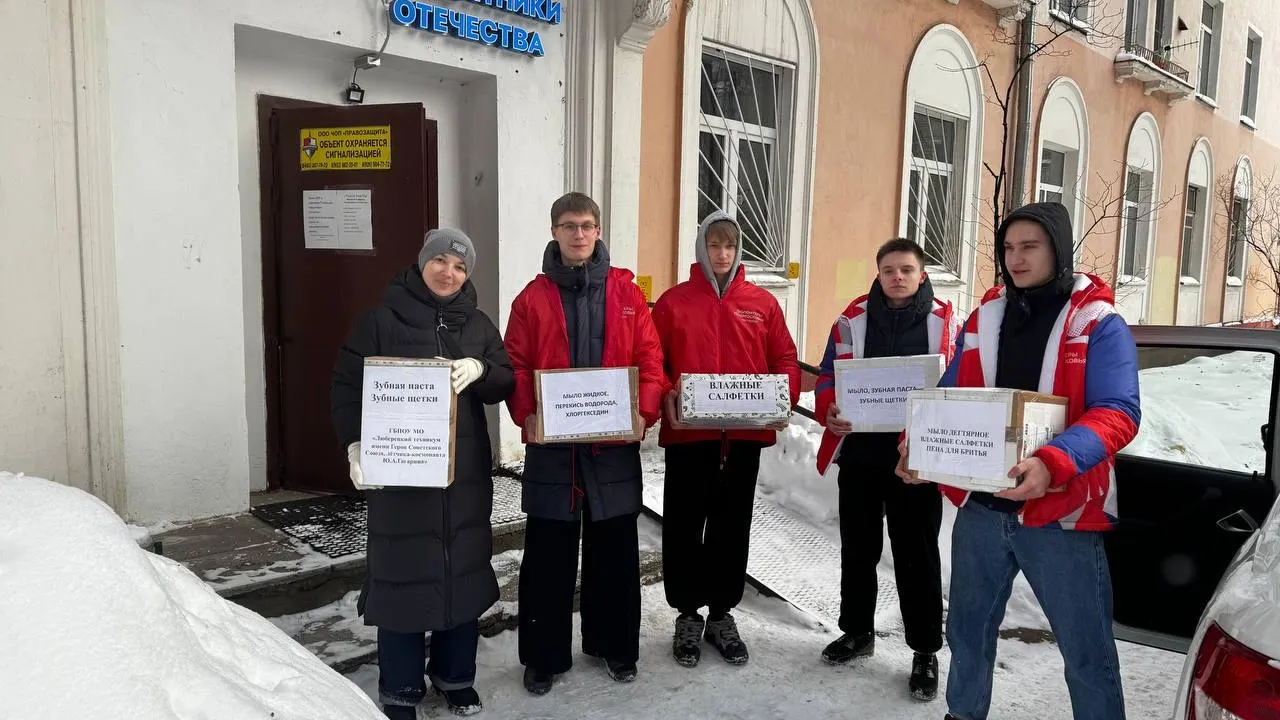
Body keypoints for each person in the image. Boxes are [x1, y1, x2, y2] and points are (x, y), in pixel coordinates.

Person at [895, 202, 1141, 720]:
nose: (1016, 258)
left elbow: (1118, 412)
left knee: (1086, 653)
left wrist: (1054, 462)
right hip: (983, 510)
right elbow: (952, 391)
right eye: (1009, 248)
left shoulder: (1098, 322)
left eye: (1030, 246)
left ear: (1059, 249)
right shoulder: (987, 316)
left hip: (1061, 514)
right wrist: (917, 441)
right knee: (967, 635)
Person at [331, 228, 515, 719]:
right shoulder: (381, 321)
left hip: (465, 479)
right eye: (440, 261)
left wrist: (480, 368)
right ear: (422, 263)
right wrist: (354, 444)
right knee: (403, 577)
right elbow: (348, 385)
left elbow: (505, 378)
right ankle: (401, 689)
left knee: (462, 571)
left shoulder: (477, 324)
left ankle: (456, 678)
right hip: (402, 478)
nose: (448, 272)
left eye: (459, 266)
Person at [503, 192, 666, 695]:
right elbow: (517, 366)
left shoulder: (627, 293)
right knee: (548, 557)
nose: (579, 234)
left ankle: (614, 646)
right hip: (554, 451)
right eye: (569, 225)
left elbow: (651, 360)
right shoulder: (532, 298)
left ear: (599, 231)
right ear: (554, 231)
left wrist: (644, 412)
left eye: (588, 225)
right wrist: (525, 414)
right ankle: (543, 656)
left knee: (615, 554)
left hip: (612, 449)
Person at [650, 211, 800, 668]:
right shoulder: (674, 303)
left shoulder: (762, 303)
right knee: (682, 524)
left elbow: (785, 358)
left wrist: (781, 398)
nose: (722, 254)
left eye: (730, 246)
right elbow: (654, 363)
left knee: (731, 526)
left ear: (738, 251)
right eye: (714, 245)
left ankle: (721, 613)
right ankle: (687, 614)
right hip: (689, 439)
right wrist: (668, 394)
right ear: (701, 247)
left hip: (742, 440)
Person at [812, 238, 957, 702]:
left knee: (916, 555)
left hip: (915, 458)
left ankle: (925, 650)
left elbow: (961, 382)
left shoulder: (946, 323)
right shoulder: (851, 318)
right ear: (877, 273)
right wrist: (827, 407)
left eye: (907, 269)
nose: (898, 277)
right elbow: (828, 374)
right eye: (889, 269)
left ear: (921, 273)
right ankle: (857, 631)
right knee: (858, 549)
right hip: (860, 453)